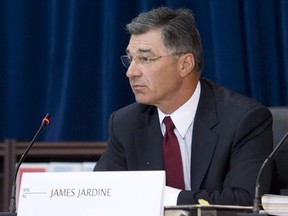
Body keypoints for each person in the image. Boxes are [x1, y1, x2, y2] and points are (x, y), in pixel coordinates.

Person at [94, 6, 275, 206]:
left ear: (185, 65)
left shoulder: (244, 120)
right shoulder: (125, 123)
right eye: (130, 59)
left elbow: (245, 200)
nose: (131, 72)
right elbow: (103, 194)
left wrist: (162, 197)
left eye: (145, 59)